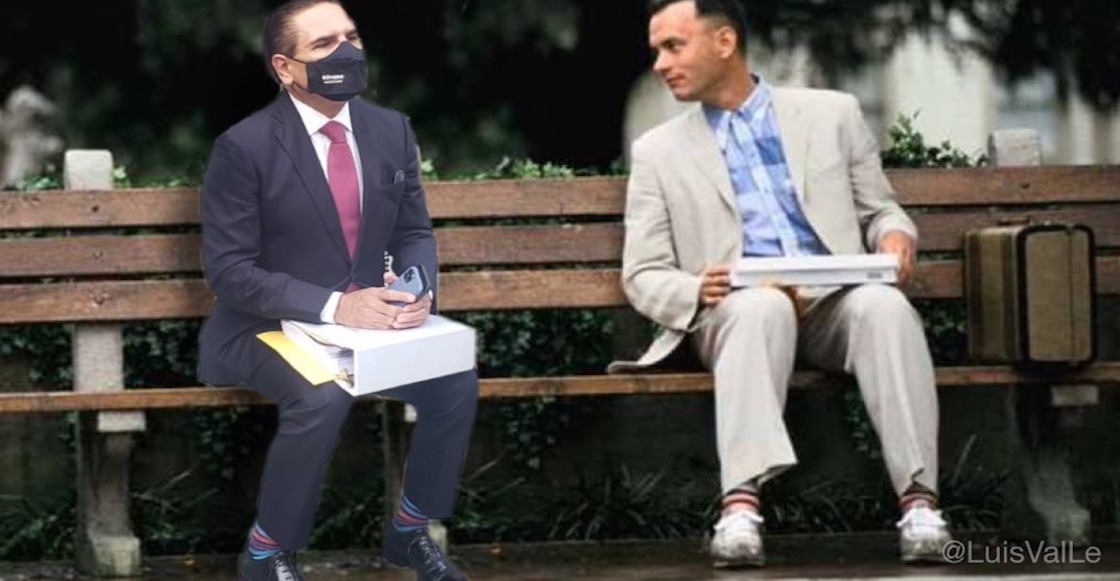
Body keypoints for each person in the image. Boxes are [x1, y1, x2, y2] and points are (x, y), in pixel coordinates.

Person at [612, 0, 952, 567]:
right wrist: (697, 289)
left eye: (673, 46)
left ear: (724, 42)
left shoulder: (833, 114)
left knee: (884, 307)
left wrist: (895, 236)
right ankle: (740, 509)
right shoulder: (657, 152)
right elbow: (642, 272)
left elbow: (880, 211)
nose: (660, 65)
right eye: (656, 51)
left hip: (832, 304)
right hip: (733, 313)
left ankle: (920, 503)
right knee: (761, 307)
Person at [196, 1, 476, 579]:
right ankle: (267, 551)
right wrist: (338, 306)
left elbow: (412, 232)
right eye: (324, 44)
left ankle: (409, 531)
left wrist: (418, 289)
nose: (346, 52)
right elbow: (229, 271)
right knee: (324, 394)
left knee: (454, 380)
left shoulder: (391, 130)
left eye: (351, 37)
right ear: (284, 67)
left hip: (368, 330)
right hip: (264, 329)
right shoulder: (243, 148)